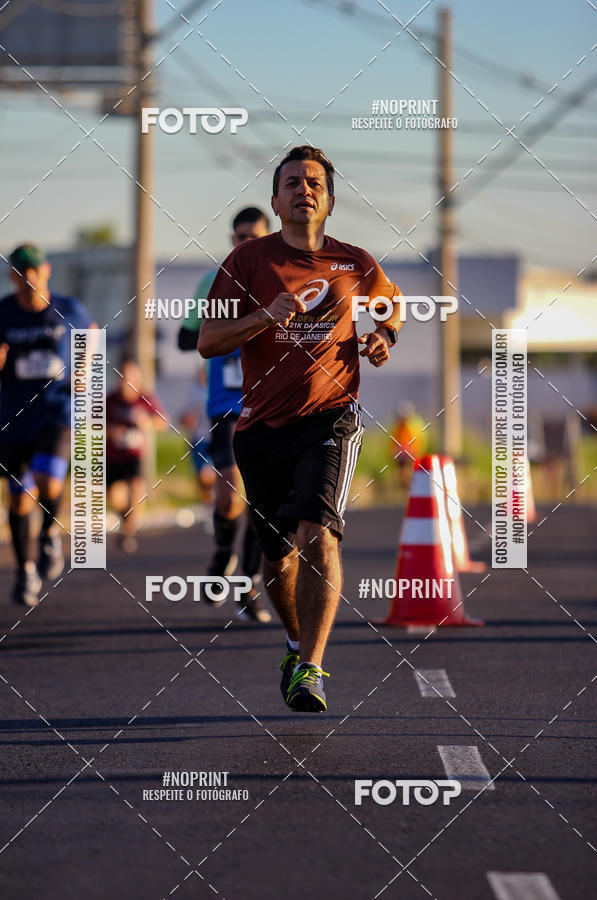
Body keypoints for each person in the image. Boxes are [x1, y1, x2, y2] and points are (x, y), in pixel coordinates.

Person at [198, 146, 403, 712]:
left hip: (330, 418)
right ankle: (293, 642)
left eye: (314, 182)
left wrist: (384, 338)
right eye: (292, 182)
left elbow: (390, 309)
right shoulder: (246, 264)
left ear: (330, 202)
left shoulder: (355, 263)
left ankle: (310, 668)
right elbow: (208, 342)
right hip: (260, 430)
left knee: (319, 535)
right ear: (275, 199)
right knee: (276, 558)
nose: (303, 189)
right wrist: (265, 316)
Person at [178, 207, 272, 623]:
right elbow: (186, 336)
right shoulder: (214, 281)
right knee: (231, 492)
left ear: (269, 236)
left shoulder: (283, 279)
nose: (244, 244)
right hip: (227, 405)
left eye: (253, 236)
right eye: (238, 238)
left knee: (262, 502)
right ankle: (221, 555)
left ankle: (247, 585)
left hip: (272, 403)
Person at [0, 243, 94, 606]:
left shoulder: (68, 308)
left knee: (49, 480)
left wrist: (84, 368)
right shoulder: (4, 313)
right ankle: (25, 571)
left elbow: (91, 332)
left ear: (46, 271)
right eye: (21, 273)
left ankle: (51, 533)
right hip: (12, 418)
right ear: (13, 277)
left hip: (56, 412)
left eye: (34, 272)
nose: (29, 280)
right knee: (19, 499)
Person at [106, 357, 168, 553]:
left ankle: (127, 534)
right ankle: (126, 518)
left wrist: (146, 423)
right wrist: (112, 431)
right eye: (123, 377)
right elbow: (94, 423)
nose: (126, 381)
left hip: (136, 456)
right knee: (117, 498)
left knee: (137, 490)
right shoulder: (110, 400)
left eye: (130, 377)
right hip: (113, 457)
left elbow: (163, 422)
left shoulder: (145, 399)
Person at [179, 366, 216, 505]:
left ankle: (214, 499)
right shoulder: (193, 392)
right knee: (201, 475)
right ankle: (208, 503)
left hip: (216, 437)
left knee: (208, 474)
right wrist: (188, 419)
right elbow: (183, 416)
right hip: (198, 438)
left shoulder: (216, 389)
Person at [391, 401, 426, 487]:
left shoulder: (414, 426)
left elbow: (420, 441)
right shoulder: (396, 427)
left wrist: (415, 452)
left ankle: (411, 485)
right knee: (401, 471)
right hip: (401, 454)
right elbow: (392, 442)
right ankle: (404, 485)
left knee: (410, 470)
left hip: (411, 454)